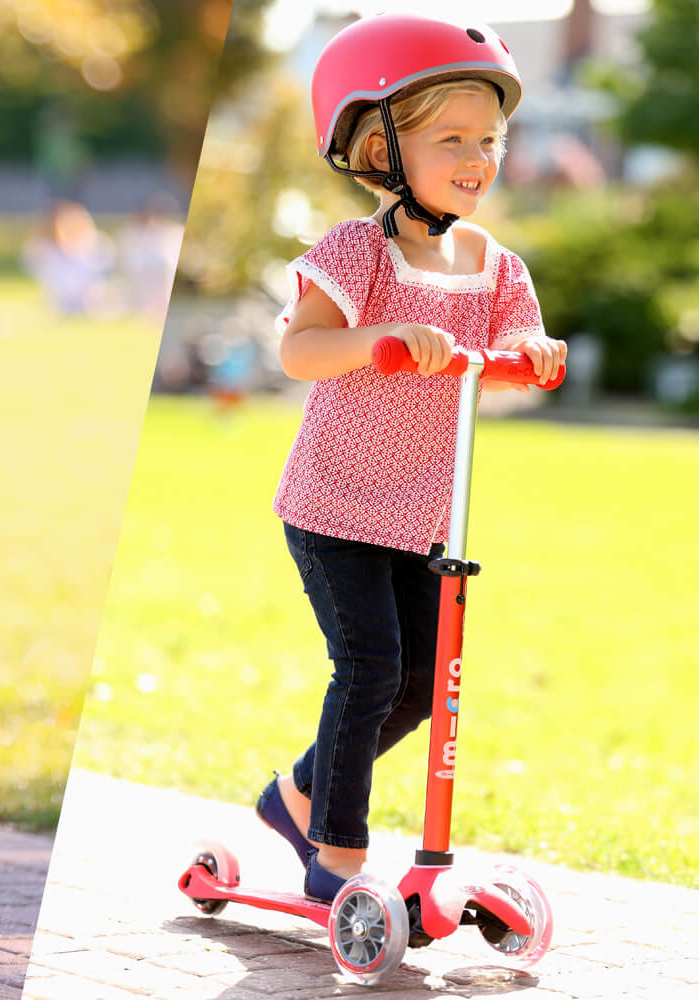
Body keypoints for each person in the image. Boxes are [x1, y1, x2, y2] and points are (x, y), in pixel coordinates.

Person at [256, 15, 568, 903]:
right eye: (451, 140)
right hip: (334, 507)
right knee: (369, 669)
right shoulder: (358, 252)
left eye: (490, 139)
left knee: (423, 683)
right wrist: (381, 334)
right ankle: (337, 852)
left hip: (426, 516)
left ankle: (294, 797)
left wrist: (534, 354)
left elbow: (515, 340)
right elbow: (300, 350)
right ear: (379, 149)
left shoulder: (496, 264)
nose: (478, 158)